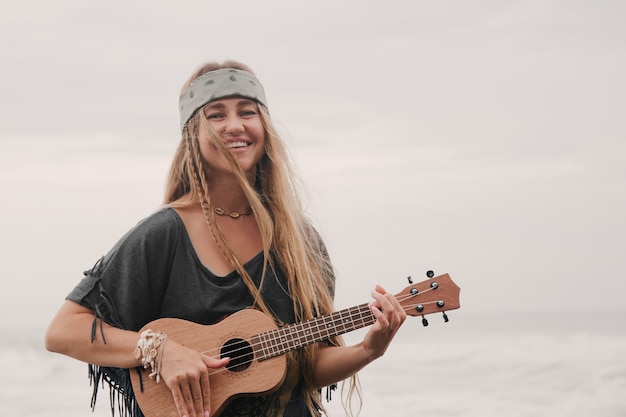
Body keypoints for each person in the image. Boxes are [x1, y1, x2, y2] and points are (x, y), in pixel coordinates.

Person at [45, 60, 407, 417]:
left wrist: (368, 350)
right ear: (193, 133)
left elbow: (307, 368)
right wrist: (158, 348)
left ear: (264, 126)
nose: (235, 126)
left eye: (247, 112)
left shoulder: (301, 242)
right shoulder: (163, 233)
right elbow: (64, 330)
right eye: (216, 115)